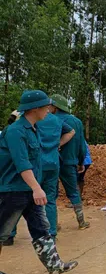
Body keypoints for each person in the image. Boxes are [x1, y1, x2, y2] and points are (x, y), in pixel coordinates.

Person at [0, 90, 78, 274]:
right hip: (13, 189)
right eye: (46, 107)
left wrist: (35, 187)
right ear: (35, 109)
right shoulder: (16, 131)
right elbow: (21, 163)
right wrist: (37, 187)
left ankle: (54, 265)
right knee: (1, 231)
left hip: (27, 189)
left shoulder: (33, 129)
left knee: (40, 228)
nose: (49, 111)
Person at [7, 102, 76, 244]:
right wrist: (58, 144)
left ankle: (9, 234)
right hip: (52, 163)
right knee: (49, 199)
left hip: (33, 166)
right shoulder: (56, 120)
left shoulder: (27, 121)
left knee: (19, 199)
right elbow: (71, 131)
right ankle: (51, 234)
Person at [52, 94, 90, 230]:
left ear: (55, 107)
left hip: (51, 162)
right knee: (73, 192)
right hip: (69, 162)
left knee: (51, 194)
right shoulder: (76, 122)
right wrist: (81, 162)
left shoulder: (46, 119)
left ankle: (54, 225)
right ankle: (81, 222)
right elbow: (81, 145)